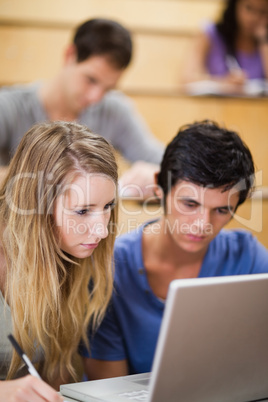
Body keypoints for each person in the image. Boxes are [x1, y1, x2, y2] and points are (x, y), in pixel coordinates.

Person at [80, 120, 268, 379]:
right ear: (160, 187)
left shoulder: (247, 257)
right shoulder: (110, 271)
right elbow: (107, 390)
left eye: (221, 210)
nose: (203, 225)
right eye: (190, 204)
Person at [0, 121, 118, 401]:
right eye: (82, 211)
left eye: (108, 207)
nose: (102, 231)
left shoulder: (77, 254)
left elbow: (57, 376)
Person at [0, 18, 164, 196]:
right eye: (91, 80)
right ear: (70, 55)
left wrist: (157, 176)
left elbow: (166, 161)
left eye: (108, 89)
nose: (96, 97)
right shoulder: (8, 107)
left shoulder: (114, 110)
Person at [182, 0, 268, 87]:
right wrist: (222, 83)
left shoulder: (263, 42)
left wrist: (264, 41)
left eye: (262, 12)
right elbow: (186, 80)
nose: (254, 17)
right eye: (249, 8)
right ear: (235, 5)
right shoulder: (210, 34)